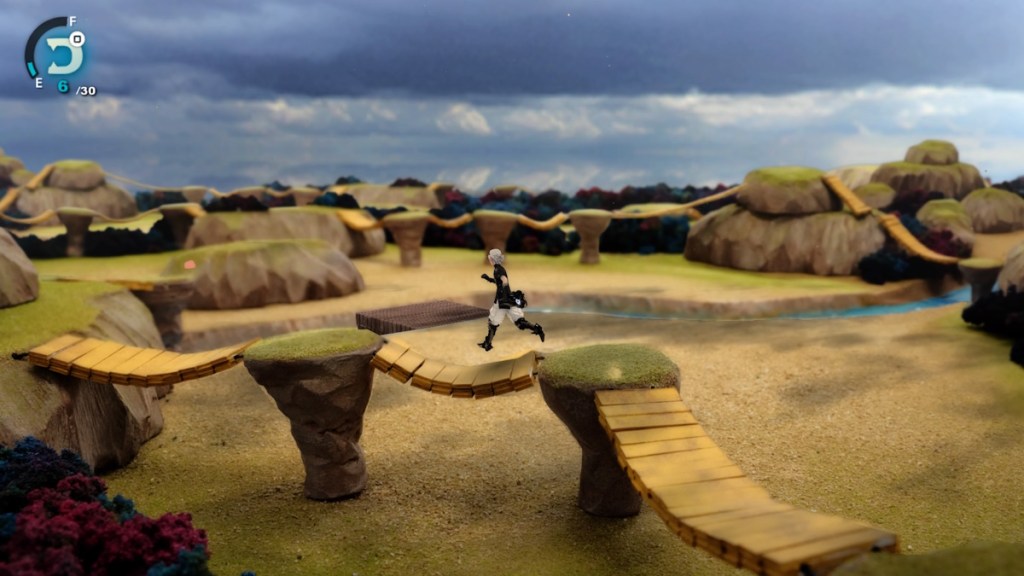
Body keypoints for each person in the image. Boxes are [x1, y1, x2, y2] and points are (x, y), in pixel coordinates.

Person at [478, 249, 544, 351]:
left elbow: (504, 281)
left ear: (492, 259)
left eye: (490, 257)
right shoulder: (498, 269)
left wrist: (505, 294)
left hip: (502, 301)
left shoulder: (499, 269)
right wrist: (489, 279)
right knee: (519, 322)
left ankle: (487, 344)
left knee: (493, 322)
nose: (489, 259)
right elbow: (499, 281)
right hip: (506, 300)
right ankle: (537, 328)